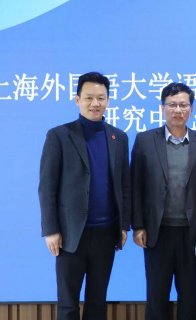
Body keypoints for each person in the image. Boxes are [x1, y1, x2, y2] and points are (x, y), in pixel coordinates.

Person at [39, 71, 131, 320]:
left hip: (106, 234)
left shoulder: (119, 137)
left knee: (97, 303)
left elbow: (124, 185)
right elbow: (47, 187)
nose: (95, 103)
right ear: (77, 100)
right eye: (89, 97)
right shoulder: (59, 136)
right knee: (68, 305)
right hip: (70, 235)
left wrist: (124, 226)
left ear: (108, 100)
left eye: (101, 98)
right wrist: (51, 230)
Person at [131, 82, 196, 320]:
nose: (178, 110)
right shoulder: (145, 140)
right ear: (162, 108)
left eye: (183, 105)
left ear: (191, 109)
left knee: (190, 294)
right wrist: (138, 226)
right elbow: (135, 185)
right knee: (156, 294)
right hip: (157, 232)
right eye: (172, 105)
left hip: (191, 231)